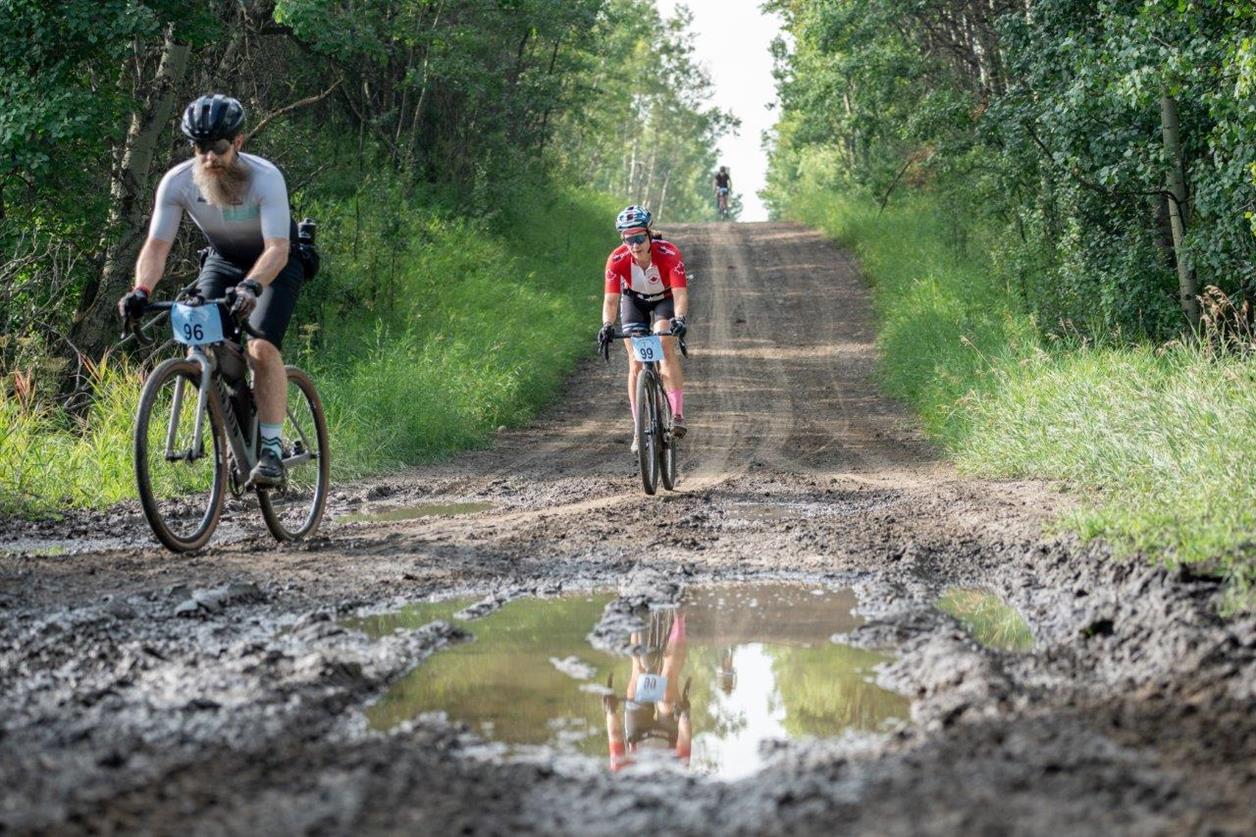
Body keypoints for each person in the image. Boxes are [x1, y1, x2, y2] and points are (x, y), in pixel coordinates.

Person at [117, 94, 304, 488]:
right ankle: (233, 437)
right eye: (201, 148)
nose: (209, 159)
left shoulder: (265, 177)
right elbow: (156, 246)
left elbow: (278, 249)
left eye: (218, 148)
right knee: (200, 344)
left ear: (238, 142)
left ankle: (270, 449)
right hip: (221, 261)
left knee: (260, 347)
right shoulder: (178, 182)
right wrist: (141, 290)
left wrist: (252, 285)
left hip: (274, 261)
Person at [597, 205, 689, 450]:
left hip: (664, 300)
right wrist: (607, 324)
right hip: (633, 301)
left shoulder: (669, 253)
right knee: (636, 362)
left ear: (649, 234)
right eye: (629, 239)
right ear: (622, 239)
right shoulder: (617, 259)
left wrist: (679, 318)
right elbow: (611, 300)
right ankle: (638, 429)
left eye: (639, 237)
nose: (635, 244)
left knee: (663, 345)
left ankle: (677, 414)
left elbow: (680, 294)